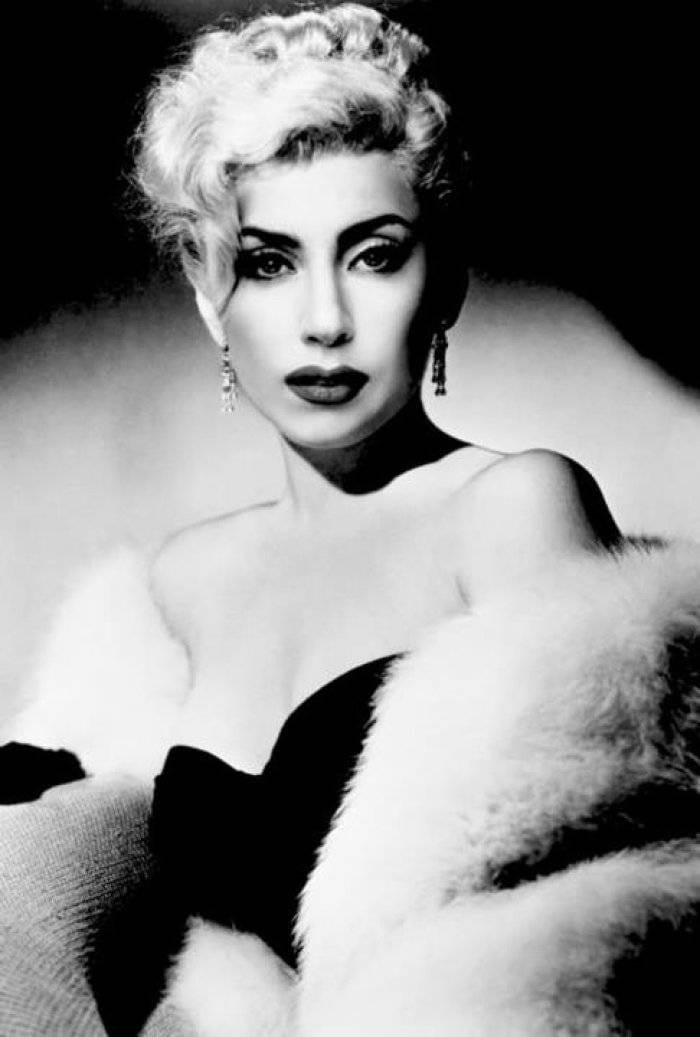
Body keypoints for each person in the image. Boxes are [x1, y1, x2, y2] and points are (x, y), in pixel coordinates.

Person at [3, 5, 700, 1035]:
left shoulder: (511, 508)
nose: (324, 320)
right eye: (269, 262)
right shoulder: (177, 585)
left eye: (373, 255)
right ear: (205, 290)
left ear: (445, 277)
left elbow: (584, 928)